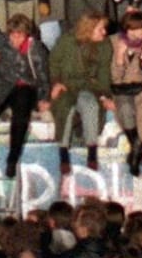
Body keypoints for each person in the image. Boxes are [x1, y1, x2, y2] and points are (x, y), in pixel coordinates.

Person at [0, 13, 50, 178]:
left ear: (26, 35)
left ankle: (12, 158)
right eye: (13, 35)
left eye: (19, 35)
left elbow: (43, 74)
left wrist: (44, 97)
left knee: (20, 118)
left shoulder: (35, 48)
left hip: (24, 86)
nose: (15, 39)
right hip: (0, 84)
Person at [49, 12, 114, 176]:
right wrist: (55, 83)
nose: (104, 32)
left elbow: (104, 74)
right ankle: (63, 152)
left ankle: (92, 150)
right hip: (66, 85)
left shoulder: (105, 46)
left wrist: (104, 95)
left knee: (90, 106)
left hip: (88, 86)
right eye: (100, 29)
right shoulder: (67, 41)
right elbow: (53, 62)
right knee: (65, 108)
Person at [108, 10, 142, 176]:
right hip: (120, 88)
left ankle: (137, 149)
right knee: (125, 109)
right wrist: (119, 59)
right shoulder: (113, 42)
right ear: (129, 30)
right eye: (140, 28)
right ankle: (136, 145)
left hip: (140, 87)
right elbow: (115, 77)